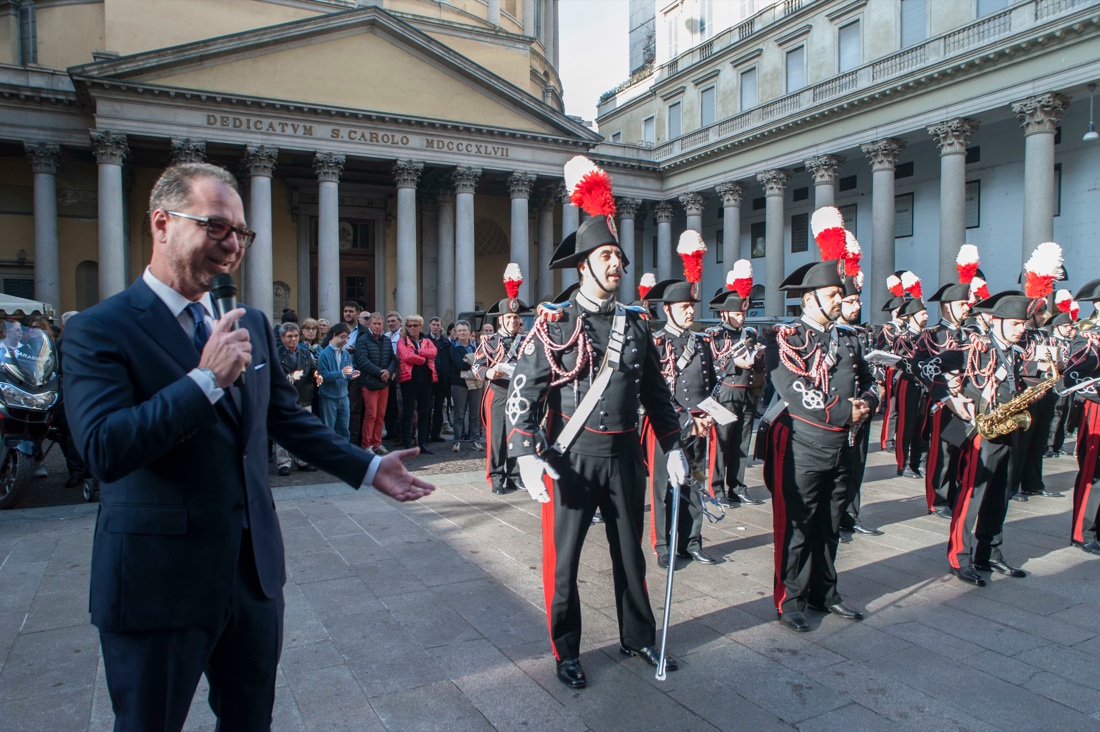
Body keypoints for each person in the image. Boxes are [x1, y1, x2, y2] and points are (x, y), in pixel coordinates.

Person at [60, 161, 433, 732]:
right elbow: (104, 449)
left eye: (240, 232)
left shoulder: (249, 323)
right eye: (215, 226)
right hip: (158, 584)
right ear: (161, 223)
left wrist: (366, 466)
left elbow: (285, 419)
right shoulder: (100, 329)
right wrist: (204, 382)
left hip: (251, 578)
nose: (232, 244)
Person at [509, 156, 687, 689]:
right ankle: (567, 651)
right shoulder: (557, 321)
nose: (618, 265)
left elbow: (656, 393)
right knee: (564, 565)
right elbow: (525, 388)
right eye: (608, 256)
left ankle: (638, 636)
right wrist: (523, 452)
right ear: (584, 263)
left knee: (630, 555)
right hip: (571, 459)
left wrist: (674, 447)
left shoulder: (636, 326)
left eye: (620, 258)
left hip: (625, 458)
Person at [763, 252, 877, 633]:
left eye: (839, 295)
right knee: (797, 527)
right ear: (809, 298)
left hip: (844, 446)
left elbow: (870, 379)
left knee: (830, 525)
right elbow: (797, 391)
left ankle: (824, 592)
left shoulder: (850, 339)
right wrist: (847, 411)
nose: (838, 302)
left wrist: (868, 403)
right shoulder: (785, 338)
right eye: (831, 295)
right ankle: (790, 599)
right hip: (805, 446)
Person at [946, 291, 1036, 585]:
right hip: (981, 433)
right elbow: (933, 364)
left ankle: (990, 553)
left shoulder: (1016, 352)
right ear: (996, 322)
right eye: (1014, 324)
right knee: (972, 495)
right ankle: (959, 557)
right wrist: (953, 394)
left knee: (999, 495)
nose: (1021, 328)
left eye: (1023, 323)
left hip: (1008, 430)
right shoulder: (977, 348)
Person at [645, 272, 718, 568]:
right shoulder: (657, 344)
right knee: (664, 487)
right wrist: (688, 420)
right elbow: (654, 393)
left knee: (697, 482)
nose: (690, 310)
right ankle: (664, 545)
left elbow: (710, 383)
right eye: (684, 306)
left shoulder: (701, 343)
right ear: (667, 309)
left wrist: (712, 415)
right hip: (670, 427)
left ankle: (692, 542)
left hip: (701, 428)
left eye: (691, 305)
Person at [708, 260, 766, 508]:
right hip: (725, 394)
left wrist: (760, 360)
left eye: (743, 313)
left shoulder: (751, 334)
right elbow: (711, 366)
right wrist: (735, 365)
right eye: (737, 313)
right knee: (721, 444)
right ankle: (716, 487)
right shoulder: (714, 335)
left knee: (742, 443)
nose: (741, 318)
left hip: (747, 393)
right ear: (724, 313)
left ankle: (737, 486)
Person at [835, 271, 884, 539]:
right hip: (839, 412)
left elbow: (868, 376)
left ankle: (851, 514)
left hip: (860, 413)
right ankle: (836, 513)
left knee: (857, 466)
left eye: (858, 301)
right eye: (850, 301)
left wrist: (868, 402)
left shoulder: (859, 333)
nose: (857, 306)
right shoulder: (832, 335)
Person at [474, 264, 531, 494]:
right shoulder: (489, 341)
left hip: (519, 393)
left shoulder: (528, 340)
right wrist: (488, 373)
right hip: (497, 392)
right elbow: (477, 366)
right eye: (508, 318)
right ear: (501, 320)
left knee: (517, 434)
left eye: (516, 318)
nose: (512, 321)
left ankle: (515, 475)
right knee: (496, 437)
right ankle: (496, 477)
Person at [1061, 278, 1100, 556]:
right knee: (1092, 472)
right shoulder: (1087, 336)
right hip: (1097, 408)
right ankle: (1082, 532)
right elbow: (1073, 376)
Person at [273, 322, 322, 475]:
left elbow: (313, 369)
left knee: (304, 430)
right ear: (282, 338)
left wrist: (317, 375)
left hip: (304, 397)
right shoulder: (276, 354)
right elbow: (274, 377)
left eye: (295, 336)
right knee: (283, 432)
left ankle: (302, 460)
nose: (293, 339)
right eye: (290, 337)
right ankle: (283, 463)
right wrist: (290, 377)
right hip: (285, 399)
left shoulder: (305, 352)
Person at [354, 313, 395, 456]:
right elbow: (362, 361)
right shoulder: (362, 340)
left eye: (379, 323)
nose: (377, 326)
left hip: (384, 382)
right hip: (369, 382)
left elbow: (393, 359)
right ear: (369, 324)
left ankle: (377, 443)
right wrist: (380, 373)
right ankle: (367, 445)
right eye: (374, 323)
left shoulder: (386, 340)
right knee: (371, 415)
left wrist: (389, 371)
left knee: (380, 415)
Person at [396, 314, 438, 452]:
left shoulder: (426, 340)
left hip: (426, 380)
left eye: (415, 325)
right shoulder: (402, 341)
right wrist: (423, 360)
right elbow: (405, 356)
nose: (412, 328)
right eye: (410, 326)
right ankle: (407, 443)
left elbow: (433, 352)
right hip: (409, 380)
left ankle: (423, 443)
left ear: (420, 327)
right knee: (408, 412)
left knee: (424, 412)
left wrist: (417, 351)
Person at [317, 323, 357, 441]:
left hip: (343, 396)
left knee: (344, 429)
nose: (345, 340)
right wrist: (342, 373)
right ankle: (329, 455)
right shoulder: (324, 354)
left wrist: (352, 374)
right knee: (329, 429)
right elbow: (324, 375)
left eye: (347, 337)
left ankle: (343, 454)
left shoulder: (345, 354)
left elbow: (347, 373)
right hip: (328, 397)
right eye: (343, 337)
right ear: (334, 335)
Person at [448, 320, 481, 452]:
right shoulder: (453, 348)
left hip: (476, 383)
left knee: (475, 414)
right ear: (455, 332)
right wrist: (474, 361)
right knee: (459, 414)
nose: (462, 333)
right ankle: (457, 440)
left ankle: (475, 440)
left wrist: (468, 359)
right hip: (459, 384)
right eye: (459, 330)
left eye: (464, 330)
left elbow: (482, 361)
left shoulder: (476, 346)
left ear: (469, 332)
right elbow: (459, 365)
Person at [426, 317, 450, 443]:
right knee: (428, 407)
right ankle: (426, 434)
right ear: (429, 325)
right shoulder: (424, 340)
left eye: (438, 325)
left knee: (439, 407)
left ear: (441, 326)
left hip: (441, 379)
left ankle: (436, 433)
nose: (435, 327)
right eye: (433, 324)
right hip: (428, 379)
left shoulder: (445, 342)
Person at [384, 310, 403, 442]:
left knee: (399, 405)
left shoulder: (402, 335)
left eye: (393, 321)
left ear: (399, 322)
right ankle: (390, 431)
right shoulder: (385, 336)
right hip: (387, 373)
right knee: (389, 404)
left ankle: (400, 433)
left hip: (399, 373)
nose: (391, 324)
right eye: (389, 321)